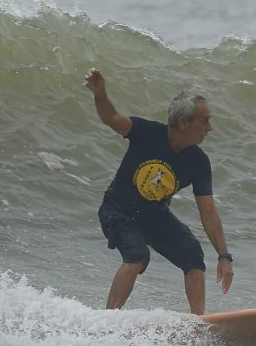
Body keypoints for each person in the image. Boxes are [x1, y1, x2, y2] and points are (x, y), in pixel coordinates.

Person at [84, 68, 234, 315]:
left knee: (192, 253)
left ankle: (199, 325)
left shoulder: (198, 162)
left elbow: (208, 213)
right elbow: (112, 118)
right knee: (137, 255)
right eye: (205, 120)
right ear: (184, 123)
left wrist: (224, 255)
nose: (210, 127)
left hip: (153, 216)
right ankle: (107, 321)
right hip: (118, 210)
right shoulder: (146, 133)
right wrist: (100, 94)